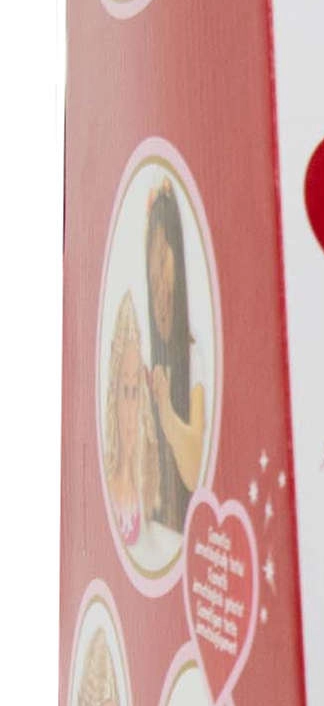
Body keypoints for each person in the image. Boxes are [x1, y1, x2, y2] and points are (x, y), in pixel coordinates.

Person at [144, 182, 206, 532]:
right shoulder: (147, 362)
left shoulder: (195, 357)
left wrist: (166, 413)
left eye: (163, 263)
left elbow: (195, 470)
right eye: (151, 274)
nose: (159, 290)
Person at [102, 291, 155, 551]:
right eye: (125, 391)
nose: (131, 410)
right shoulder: (106, 485)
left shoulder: (144, 491)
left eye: (136, 392)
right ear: (114, 398)